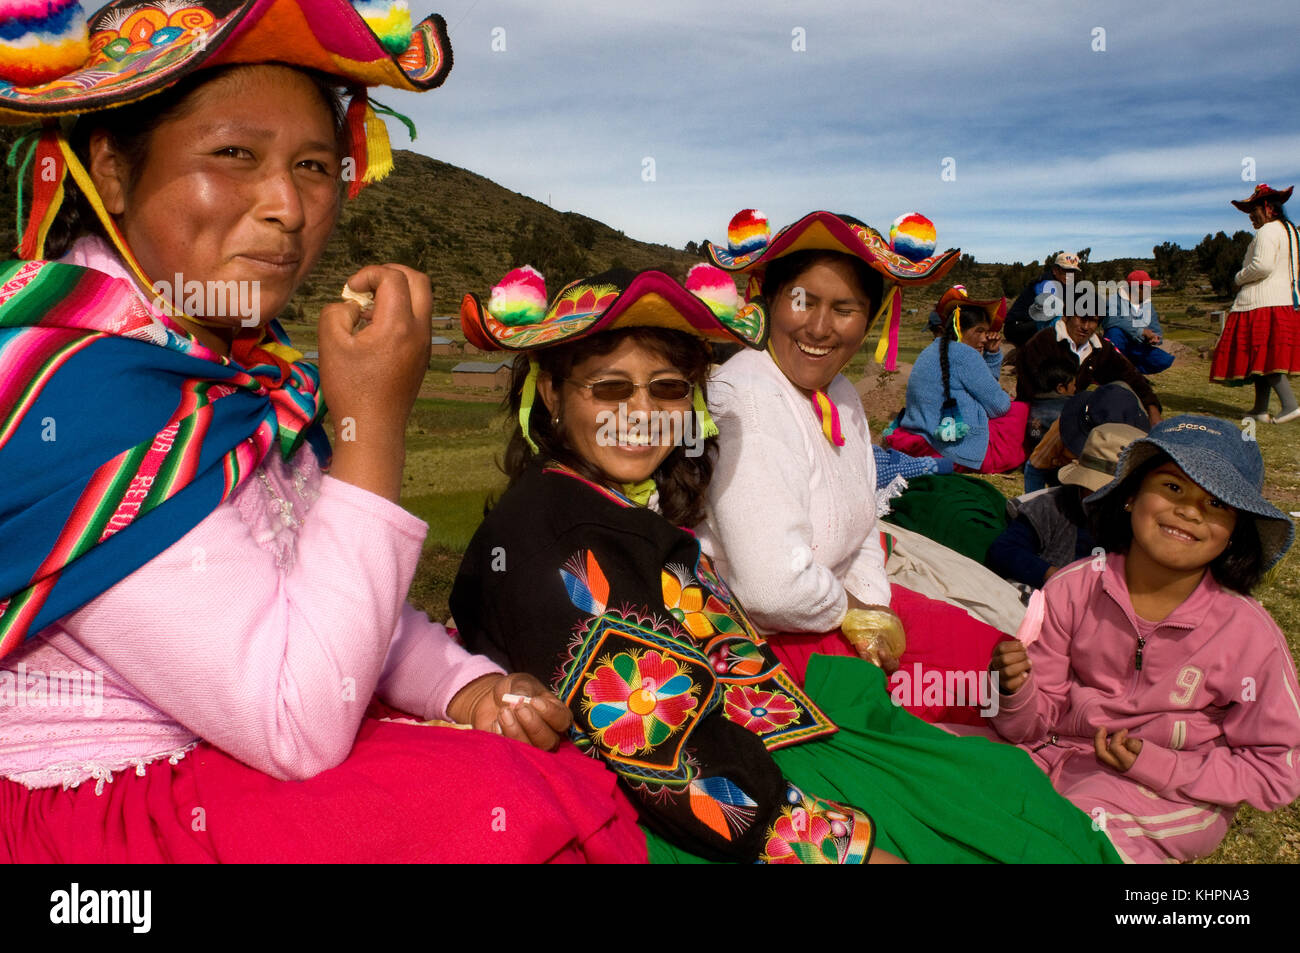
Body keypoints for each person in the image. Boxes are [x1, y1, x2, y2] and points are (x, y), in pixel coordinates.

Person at [0, 0, 644, 863]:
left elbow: (330, 593)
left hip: (252, 735)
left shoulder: (228, 367)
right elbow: (294, 721)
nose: (289, 206)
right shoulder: (75, 390)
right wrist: (371, 426)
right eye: (234, 155)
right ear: (111, 170)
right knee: (499, 808)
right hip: (110, 808)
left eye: (314, 165)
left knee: (540, 773)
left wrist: (466, 687)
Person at [451, 262, 1118, 865]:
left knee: (995, 786)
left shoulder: (606, 498)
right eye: (610, 389)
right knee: (966, 827)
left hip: (755, 729)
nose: (642, 415)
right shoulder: (553, 529)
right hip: (706, 808)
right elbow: (660, 751)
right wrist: (835, 849)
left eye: (667, 389)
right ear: (551, 395)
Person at [698, 210, 1014, 725]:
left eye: (844, 309)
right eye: (802, 301)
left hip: (842, 607)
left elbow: (865, 518)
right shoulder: (746, 400)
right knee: (957, 714)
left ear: (872, 316)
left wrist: (872, 601)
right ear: (769, 300)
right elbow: (770, 588)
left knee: (1001, 662)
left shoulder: (840, 392)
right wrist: (854, 613)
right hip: (776, 640)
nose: (819, 328)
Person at [989, 416, 1300, 863]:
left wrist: (1161, 765)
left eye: (1217, 503)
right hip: (1049, 758)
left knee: (1065, 840)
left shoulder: (1249, 635)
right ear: (1131, 496)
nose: (1190, 511)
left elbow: (1276, 770)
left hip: (1162, 797)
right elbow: (1032, 726)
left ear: (1235, 533)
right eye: (1173, 488)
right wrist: (1014, 692)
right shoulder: (1073, 588)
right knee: (951, 778)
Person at [886, 285, 1029, 473]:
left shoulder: (931, 350)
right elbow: (998, 406)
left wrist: (991, 355)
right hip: (954, 449)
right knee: (1020, 409)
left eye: (986, 332)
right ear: (959, 329)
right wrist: (993, 358)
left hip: (923, 436)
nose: (985, 338)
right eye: (979, 331)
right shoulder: (965, 355)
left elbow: (985, 390)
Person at [986, 423, 1146, 590]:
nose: (1104, 499)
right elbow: (1004, 550)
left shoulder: (1138, 525)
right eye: (1096, 490)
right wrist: (1055, 576)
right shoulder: (1051, 507)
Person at [1209, 184, 1300, 424]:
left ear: (1268, 208)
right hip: (1284, 301)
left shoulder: (1267, 231)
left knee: (1264, 356)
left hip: (1261, 302)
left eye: (1254, 210)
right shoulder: (1292, 232)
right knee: (1261, 358)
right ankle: (1260, 408)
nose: (1250, 216)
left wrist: (1239, 277)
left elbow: (1262, 266)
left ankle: (1290, 405)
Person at [1014, 304, 1163, 429]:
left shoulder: (1099, 347)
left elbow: (1130, 375)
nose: (1085, 327)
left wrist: (1152, 408)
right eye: (1082, 319)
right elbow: (1031, 388)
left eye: (1092, 321)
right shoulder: (1042, 342)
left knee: (1120, 388)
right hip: (1040, 410)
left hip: (1074, 409)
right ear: (1067, 316)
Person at [1004, 252, 1084, 347]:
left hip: (1034, 324)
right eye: (1065, 271)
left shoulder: (1065, 285)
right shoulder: (1045, 283)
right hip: (1017, 327)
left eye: (1072, 272)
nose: (1069, 275)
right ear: (1055, 270)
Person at [1103, 270, 1175, 375]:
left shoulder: (1148, 306)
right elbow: (1111, 321)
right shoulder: (1114, 301)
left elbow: (1156, 330)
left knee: (1164, 360)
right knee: (1114, 332)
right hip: (1119, 343)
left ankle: (1130, 372)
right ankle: (1113, 372)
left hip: (1137, 346)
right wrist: (1141, 331)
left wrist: (1155, 338)